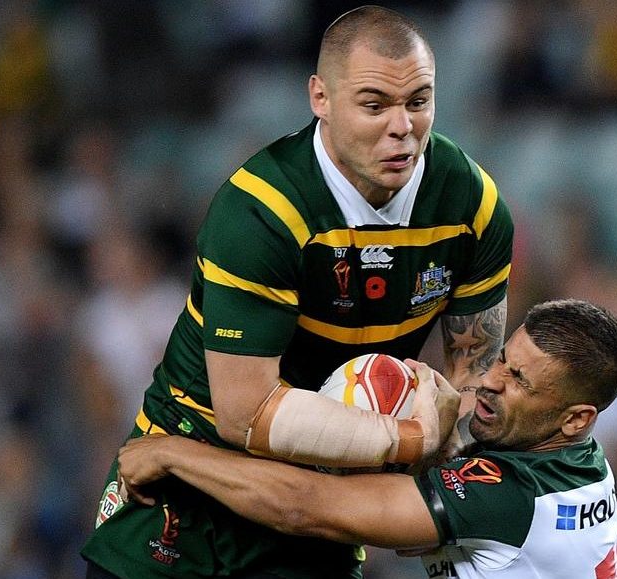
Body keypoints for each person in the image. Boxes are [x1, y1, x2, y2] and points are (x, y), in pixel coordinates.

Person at [82, 5, 514, 578]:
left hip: (325, 507)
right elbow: (247, 414)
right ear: (320, 98)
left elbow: (473, 380)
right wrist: (411, 440)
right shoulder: (262, 209)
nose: (402, 127)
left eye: (419, 101)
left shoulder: (472, 207)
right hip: (188, 489)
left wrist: (437, 461)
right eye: (374, 105)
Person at [118, 299, 617, 579]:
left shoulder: (509, 495)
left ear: (577, 419)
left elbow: (306, 507)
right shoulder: (575, 464)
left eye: (520, 381)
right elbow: (424, 536)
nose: (492, 381)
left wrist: (174, 452)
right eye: (503, 360)